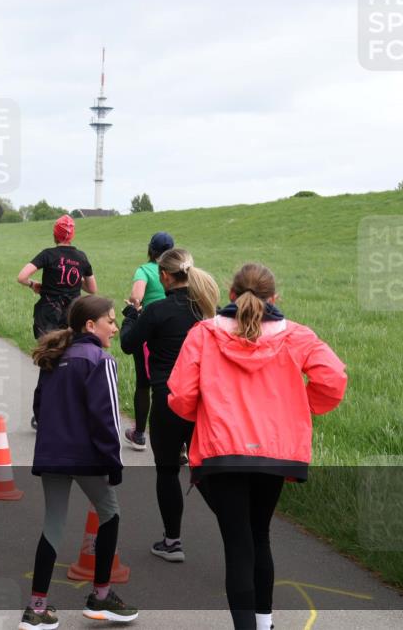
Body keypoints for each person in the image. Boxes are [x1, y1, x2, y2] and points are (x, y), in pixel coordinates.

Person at [167, 263, 346, 630]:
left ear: (230, 296)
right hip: (276, 451)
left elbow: (182, 394)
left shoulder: (203, 333)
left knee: (237, 543)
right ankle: (264, 625)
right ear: (274, 299)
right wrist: (304, 403)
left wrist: (198, 411)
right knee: (259, 534)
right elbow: (334, 378)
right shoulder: (296, 335)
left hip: (222, 448)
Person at [21, 295, 138, 629]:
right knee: (110, 514)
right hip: (87, 457)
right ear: (91, 325)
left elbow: (39, 409)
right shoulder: (100, 359)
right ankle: (101, 596)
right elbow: (107, 419)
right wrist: (113, 462)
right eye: (111, 321)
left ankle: (36, 608)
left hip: (51, 454)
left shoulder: (54, 357)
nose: (115, 327)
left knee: (53, 527)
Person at [119, 248, 218, 564]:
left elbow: (128, 344)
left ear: (163, 276)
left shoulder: (157, 311)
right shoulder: (206, 312)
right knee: (203, 468)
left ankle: (172, 541)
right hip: (203, 399)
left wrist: (132, 315)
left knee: (167, 469)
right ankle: (236, 526)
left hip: (168, 398)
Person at [17, 214, 97, 429]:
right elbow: (92, 289)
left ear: (55, 234)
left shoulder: (48, 254)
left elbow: (21, 276)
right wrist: (73, 281)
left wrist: (35, 285)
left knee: (48, 362)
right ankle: (68, 410)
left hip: (47, 316)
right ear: (72, 235)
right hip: (72, 317)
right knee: (68, 362)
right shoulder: (81, 257)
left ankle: (41, 414)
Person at [123, 232, 174, 451]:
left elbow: (137, 296)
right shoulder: (177, 269)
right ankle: (179, 443)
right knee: (172, 383)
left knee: (144, 383)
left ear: (151, 250)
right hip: (173, 328)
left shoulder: (144, 270)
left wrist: (135, 307)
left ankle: (140, 434)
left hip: (149, 327)